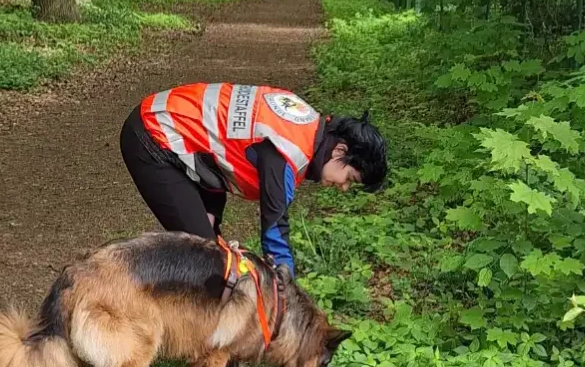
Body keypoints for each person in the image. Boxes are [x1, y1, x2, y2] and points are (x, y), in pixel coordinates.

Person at [119, 82, 387, 277]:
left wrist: (211, 216)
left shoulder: (305, 121)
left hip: (178, 133)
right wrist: (285, 284)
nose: (343, 187)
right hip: (154, 135)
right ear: (340, 151)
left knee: (213, 250)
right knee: (204, 256)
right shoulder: (291, 150)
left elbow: (223, 150)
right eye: (349, 178)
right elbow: (274, 228)